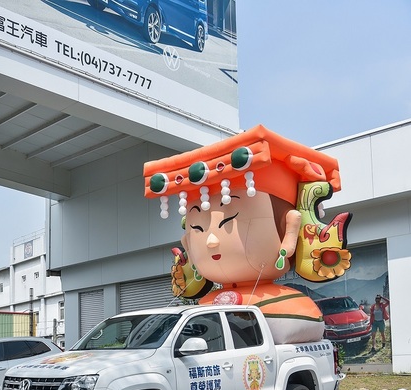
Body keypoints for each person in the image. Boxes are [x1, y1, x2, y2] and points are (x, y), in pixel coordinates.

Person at [144, 125, 352, 344]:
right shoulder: (199, 312)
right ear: (186, 242)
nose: (211, 241)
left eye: (228, 223)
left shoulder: (287, 309)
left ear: (288, 229)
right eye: (197, 229)